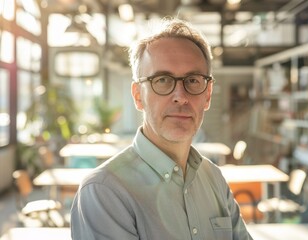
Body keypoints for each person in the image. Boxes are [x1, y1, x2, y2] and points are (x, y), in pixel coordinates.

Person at [70, 18, 253, 240]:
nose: (181, 97)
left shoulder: (214, 179)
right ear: (138, 96)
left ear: (208, 94)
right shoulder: (104, 192)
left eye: (193, 80)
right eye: (163, 80)